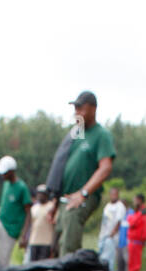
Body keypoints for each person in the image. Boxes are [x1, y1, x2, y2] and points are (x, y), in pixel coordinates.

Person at [51, 91, 115, 256]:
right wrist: (55, 201)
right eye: (75, 109)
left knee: (69, 243)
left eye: (81, 109)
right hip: (65, 197)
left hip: (83, 196)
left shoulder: (101, 135)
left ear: (93, 109)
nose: (77, 113)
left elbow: (105, 168)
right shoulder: (76, 133)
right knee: (54, 242)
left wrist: (83, 193)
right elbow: (61, 163)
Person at [0, 155, 31, 267]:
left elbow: (28, 213)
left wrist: (24, 235)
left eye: (4, 172)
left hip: (10, 230)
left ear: (11, 172)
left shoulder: (22, 187)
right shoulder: (6, 184)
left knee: (3, 262)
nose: (2, 175)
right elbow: (4, 206)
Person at [98, 184, 125, 271]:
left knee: (109, 259)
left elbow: (119, 221)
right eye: (112, 194)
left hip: (111, 237)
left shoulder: (120, 206)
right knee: (101, 257)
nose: (113, 196)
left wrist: (112, 234)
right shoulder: (108, 206)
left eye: (115, 194)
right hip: (103, 235)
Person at [27, 184, 56, 262]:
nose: (40, 195)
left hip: (46, 242)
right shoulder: (34, 208)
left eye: (42, 193)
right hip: (34, 241)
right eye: (38, 193)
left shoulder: (52, 207)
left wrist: (54, 243)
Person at [126, 193, 146, 271]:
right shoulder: (139, 212)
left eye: (135, 200)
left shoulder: (142, 213)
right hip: (134, 242)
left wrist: (139, 214)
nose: (134, 202)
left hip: (136, 242)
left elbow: (132, 223)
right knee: (132, 264)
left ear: (139, 201)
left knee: (134, 266)